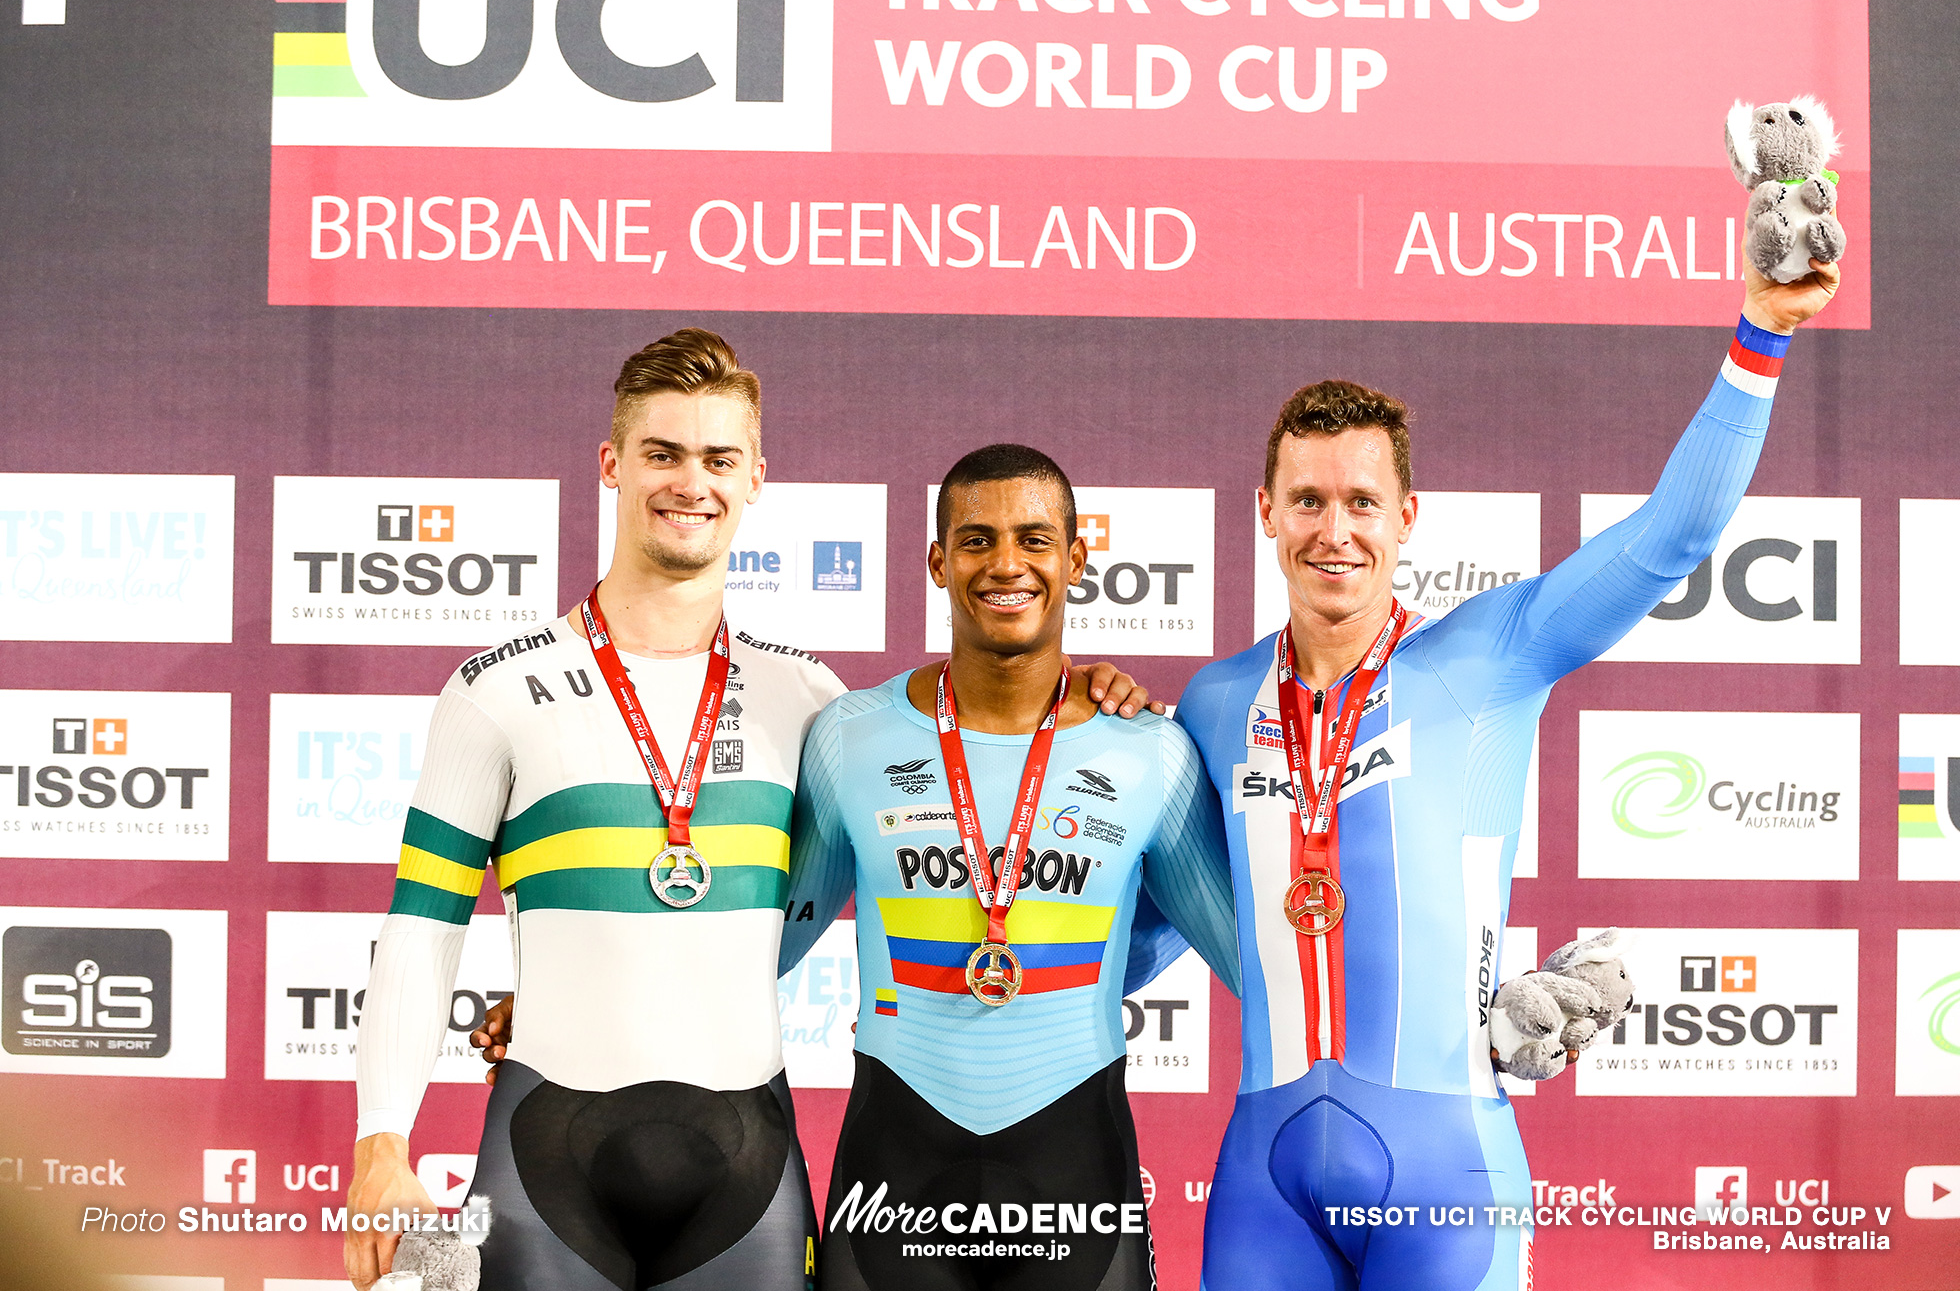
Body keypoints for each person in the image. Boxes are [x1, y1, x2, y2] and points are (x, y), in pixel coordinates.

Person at [343, 332, 1155, 1291]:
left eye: (719, 459)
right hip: (545, 1152)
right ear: (612, 464)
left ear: (756, 479)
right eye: (664, 454)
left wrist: (1089, 694)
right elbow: (422, 925)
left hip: (748, 1167)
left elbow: (954, 808)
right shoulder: (496, 691)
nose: (693, 483)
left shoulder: (814, 704)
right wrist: (380, 1144)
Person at [1174, 255, 1841, 1290]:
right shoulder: (1214, 705)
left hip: (1447, 1174)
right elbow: (1184, 913)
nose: (1333, 530)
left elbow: (1675, 537)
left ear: (1407, 517)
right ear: (1265, 508)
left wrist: (1760, 332)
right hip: (1265, 1185)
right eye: (1307, 500)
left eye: (1361, 501)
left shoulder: (1489, 659)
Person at [778, 444, 1241, 1291]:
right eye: (976, 539)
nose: (1005, 564)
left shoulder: (1151, 753)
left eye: (1034, 539)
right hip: (894, 1185)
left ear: (1075, 559)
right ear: (936, 561)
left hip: (1078, 1189)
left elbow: (1261, 966)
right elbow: (754, 948)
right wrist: (567, 1000)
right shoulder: (851, 737)